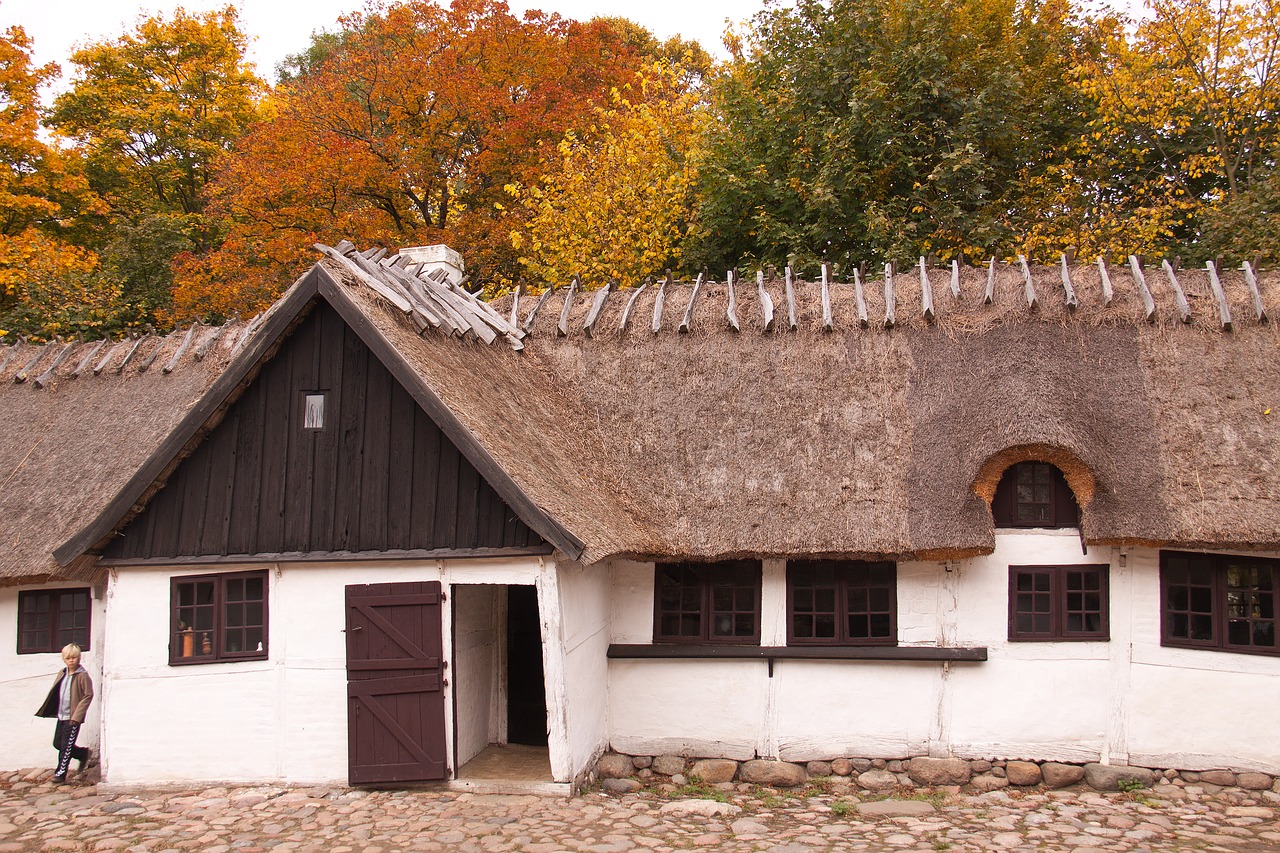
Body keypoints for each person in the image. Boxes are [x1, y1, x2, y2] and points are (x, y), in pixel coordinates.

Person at [35, 643, 94, 783]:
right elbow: (56, 691)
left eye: (74, 657)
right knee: (57, 743)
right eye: (68, 658)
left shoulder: (82, 676)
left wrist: (77, 716)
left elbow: (88, 695)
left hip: (73, 717)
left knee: (66, 746)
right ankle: (82, 753)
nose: (71, 660)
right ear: (64, 659)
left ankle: (60, 774)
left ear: (79, 658)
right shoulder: (62, 673)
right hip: (62, 715)